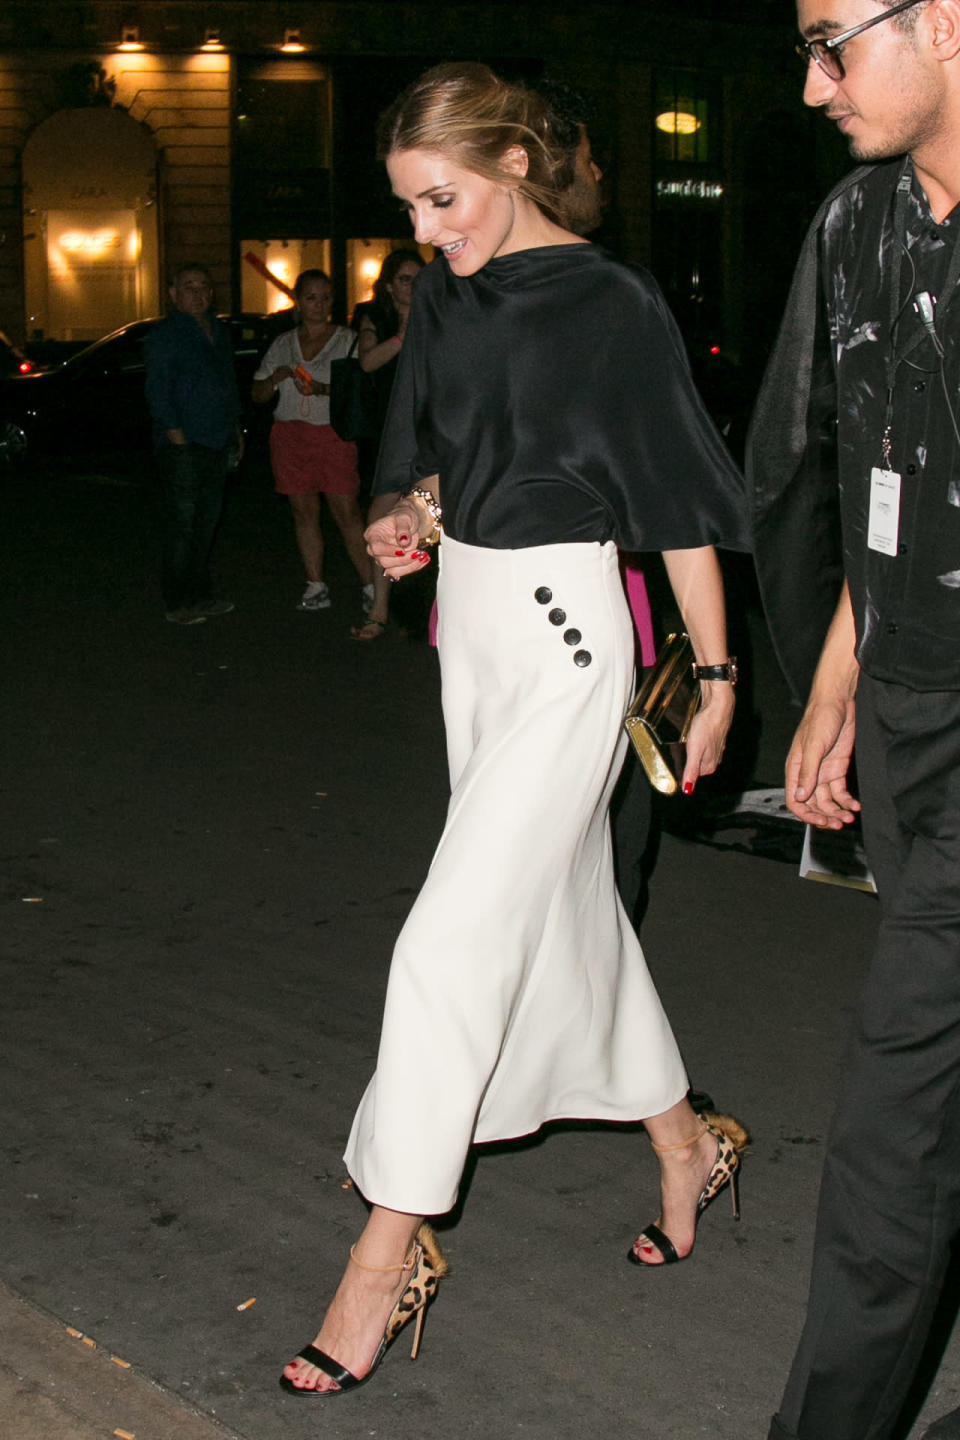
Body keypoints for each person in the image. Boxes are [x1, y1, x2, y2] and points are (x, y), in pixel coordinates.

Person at [280, 61, 748, 1399]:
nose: (425, 232)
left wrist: (715, 674)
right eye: (411, 208)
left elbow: (673, 504)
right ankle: (685, 1139)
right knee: (563, 919)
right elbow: (442, 455)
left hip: (565, 643)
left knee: (452, 941)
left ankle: (387, 1252)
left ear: (515, 163)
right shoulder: (449, 298)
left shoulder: (610, 299)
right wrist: (412, 519)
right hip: (471, 639)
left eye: (441, 199)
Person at [748, 3, 960, 1437]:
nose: (814, 82)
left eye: (835, 40)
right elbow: (875, 464)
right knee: (915, 1115)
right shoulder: (859, 224)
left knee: (900, 1126)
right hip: (913, 720)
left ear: (943, 19)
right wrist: (838, 679)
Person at [252, 270, 374, 615]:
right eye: (310, 298)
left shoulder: (347, 339)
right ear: (298, 301)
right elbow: (258, 394)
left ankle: (370, 585)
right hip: (290, 435)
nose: (318, 305)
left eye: (324, 298)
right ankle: (315, 584)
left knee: (347, 513)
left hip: (331, 435)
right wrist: (276, 379)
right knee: (303, 513)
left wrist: (322, 389)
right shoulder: (283, 343)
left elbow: (362, 392)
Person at [144, 264, 241, 625]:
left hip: (217, 439)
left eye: (203, 287)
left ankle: (200, 594)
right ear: (173, 294)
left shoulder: (217, 330)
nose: (198, 294)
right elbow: (158, 389)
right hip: (184, 443)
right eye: (189, 287)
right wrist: (176, 436)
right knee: (182, 525)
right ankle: (178, 601)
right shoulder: (166, 335)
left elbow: (228, 382)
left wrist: (235, 429)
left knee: (206, 523)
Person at [348, 249, 426, 640]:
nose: (412, 286)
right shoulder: (374, 317)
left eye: (418, 278)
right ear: (390, 284)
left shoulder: (437, 316)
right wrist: (403, 335)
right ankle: (379, 609)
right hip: (386, 433)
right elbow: (367, 362)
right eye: (404, 279)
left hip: (428, 428)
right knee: (381, 517)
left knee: (427, 516)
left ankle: (419, 610)